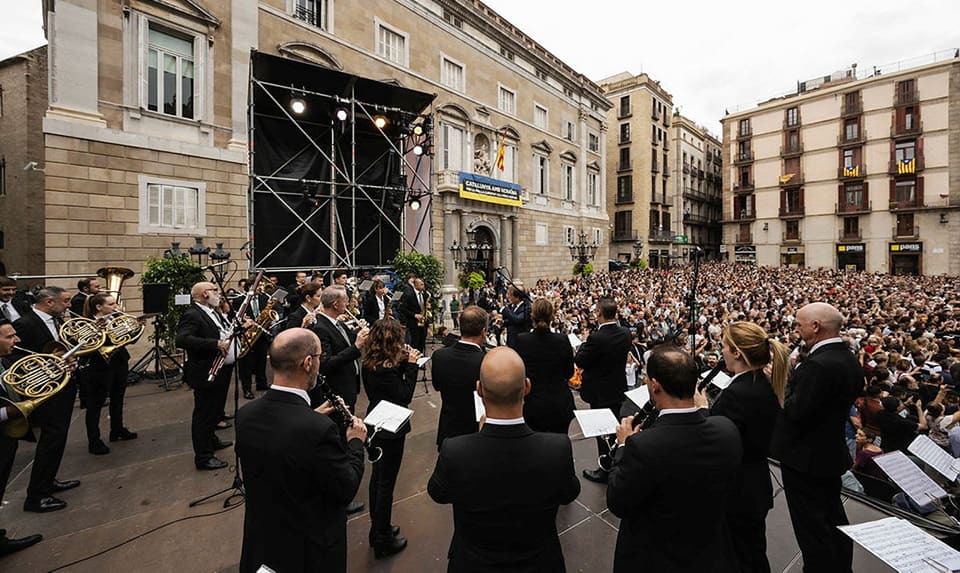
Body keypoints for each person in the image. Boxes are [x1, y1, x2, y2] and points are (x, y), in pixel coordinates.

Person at [428, 347, 580, 571]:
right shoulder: (556, 449)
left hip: (473, 563)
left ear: (479, 389)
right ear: (527, 387)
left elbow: (438, 493)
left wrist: (478, 440)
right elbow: (569, 493)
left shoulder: (456, 451)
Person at [236, 328, 367, 573]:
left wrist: (311, 415)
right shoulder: (319, 430)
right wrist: (355, 442)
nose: (320, 362)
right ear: (307, 363)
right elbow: (346, 486)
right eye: (319, 357)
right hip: (309, 552)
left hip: (264, 544)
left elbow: (279, 448)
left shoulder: (246, 415)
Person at [607, 346, 742, 572]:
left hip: (656, 557)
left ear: (655, 385)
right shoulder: (726, 429)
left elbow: (617, 501)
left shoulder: (643, 446)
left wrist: (623, 446)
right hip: (709, 553)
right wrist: (703, 411)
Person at [770, 302, 862, 573]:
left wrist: (779, 383)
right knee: (833, 518)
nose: (796, 330)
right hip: (829, 451)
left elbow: (795, 411)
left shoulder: (819, 365)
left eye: (799, 324)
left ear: (815, 326)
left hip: (806, 459)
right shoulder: (847, 358)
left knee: (811, 526)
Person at [695, 321, 787, 573]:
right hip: (753, 484)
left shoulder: (739, 393)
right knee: (751, 552)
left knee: (740, 557)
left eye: (724, 346)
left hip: (737, 489)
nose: (721, 351)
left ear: (736, 352)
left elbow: (718, 440)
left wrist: (702, 410)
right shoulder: (762, 383)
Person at [12, 286, 81, 512]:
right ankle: (37, 496)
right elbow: (15, 359)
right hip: (45, 390)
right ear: (49, 302)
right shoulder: (25, 324)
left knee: (57, 438)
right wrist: (51, 360)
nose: (69, 305)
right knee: (51, 438)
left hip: (62, 385)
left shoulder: (58, 320)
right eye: (65, 301)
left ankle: (48, 480)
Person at [361, 319, 421, 558]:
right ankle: (382, 540)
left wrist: (402, 362)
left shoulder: (370, 363)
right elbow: (403, 395)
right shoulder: (386, 370)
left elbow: (387, 384)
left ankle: (378, 528)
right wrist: (412, 366)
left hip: (375, 420)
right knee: (385, 484)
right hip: (389, 428)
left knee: (377, 479)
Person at [175, 282, 237, 471]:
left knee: (215, 410)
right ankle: (203, 457)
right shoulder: (192, 314)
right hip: (205, 371)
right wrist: (215, 343)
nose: (218, 293)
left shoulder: (212, 312)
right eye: (215, 290)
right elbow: (182, 339)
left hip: (220, 369)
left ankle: (211, 440)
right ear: (205, 293)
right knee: (204, 414)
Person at [575, 297, 631, 483]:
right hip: (617, 387)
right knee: (615, 429)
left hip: (599, 391)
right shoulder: (625, 333)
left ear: (599, 312)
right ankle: (616, 463)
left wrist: (585, 342)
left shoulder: (597, 338)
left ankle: (605, 469)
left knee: (602, 433)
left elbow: (580, 360)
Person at [0, 318, 43, 555]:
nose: (16, 340)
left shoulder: (5, 361)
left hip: (8, 438)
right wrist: (8, 412)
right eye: (9, 336)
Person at [80, 293, 137, 455]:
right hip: (99, 366)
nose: (115, 307)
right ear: (99, 307)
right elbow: (83, 346)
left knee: (118, 398)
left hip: (119, 362)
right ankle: (94, 440)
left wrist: (135, 327)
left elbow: (129, 340)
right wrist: (97, 330)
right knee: (95, 404)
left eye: (115, 304)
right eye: (111, 304)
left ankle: (117, 429)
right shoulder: (86, 323)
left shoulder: (116, 319)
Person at [515, 298, 575, 433]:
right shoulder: (562, 339)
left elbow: (518, 373)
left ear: (532, 316)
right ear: (552, 317)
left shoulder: (522, 340)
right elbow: (569, 372)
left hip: (533, 404)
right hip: (559, 404)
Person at [431, 306, 488, 449]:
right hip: (475, 431)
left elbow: (437, 386)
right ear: (483, 332)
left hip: (448, 429)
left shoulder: (439, 356)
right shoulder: (486, 361)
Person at [310, 286, 368, 412]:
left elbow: (345, 341)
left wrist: (359, 332)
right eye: (345, 300)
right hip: (337, 388)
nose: (347, 303)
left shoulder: (338, 323)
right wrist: (356, 346)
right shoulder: (320, 328)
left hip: (349, 384)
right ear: (335, 304)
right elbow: (326, 364)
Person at [233, 278, 271, 399]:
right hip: (247, 334)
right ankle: (247, 388)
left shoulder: (264, 298)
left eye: (261, 285)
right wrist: (244, 322)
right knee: (246, 364)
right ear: (250, 287)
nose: (261, 287)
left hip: (261, 334)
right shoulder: (239, 300)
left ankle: (261, 383)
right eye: (258, 285)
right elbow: (235, 318)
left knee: (262, 360)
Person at [401, 278, 428, 352]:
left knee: (422, 342)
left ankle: (421, 356)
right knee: (415, 342)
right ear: (416, 285)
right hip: (413, 323)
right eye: (421, 284)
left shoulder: (425, 295)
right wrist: (414, 315)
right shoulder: (409, 295)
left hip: (423, 323)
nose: (423, 286)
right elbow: (403, 309)